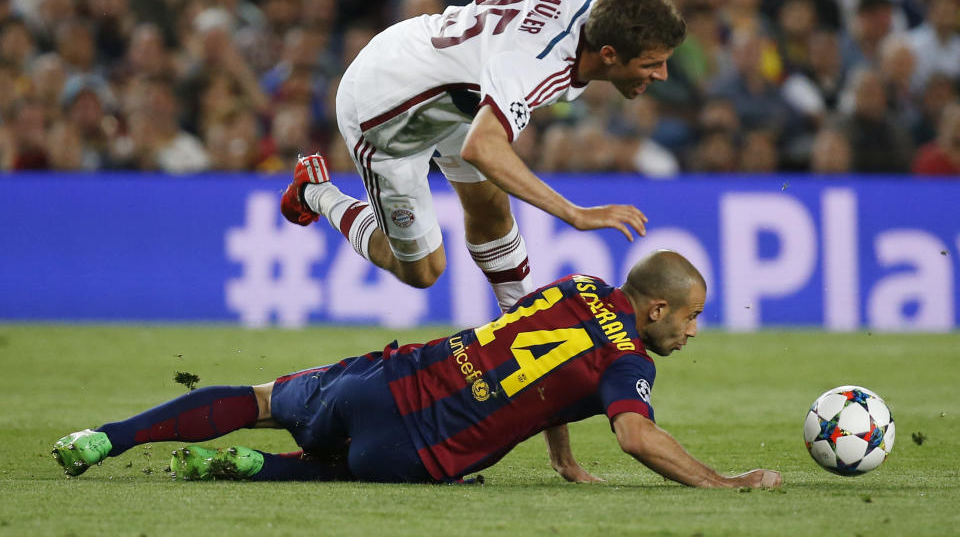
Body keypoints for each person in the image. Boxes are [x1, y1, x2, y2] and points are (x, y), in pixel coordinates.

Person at [280, 0, 834, 307]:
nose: (662, 77)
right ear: (609, 56)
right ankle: (317, 194)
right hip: (385, 107)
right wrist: (574, 213)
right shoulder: (537, 65)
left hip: (449, 78)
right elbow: (483, 149)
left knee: (491, 212)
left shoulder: (607, 4)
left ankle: (522, 345)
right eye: (652, 65)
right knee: (424, 271)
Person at [52, 250, 782, 489]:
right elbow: (635, 437)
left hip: (386, 376)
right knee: (347, 467)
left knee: (258, 396)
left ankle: (104, 439)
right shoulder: (626, 359)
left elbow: (550, 375)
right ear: (654, 310)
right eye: (689, 318)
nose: (692, 332)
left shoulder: (576, 287)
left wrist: (563, 459)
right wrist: (725, 483)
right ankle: (262, 470)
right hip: (412, 444)